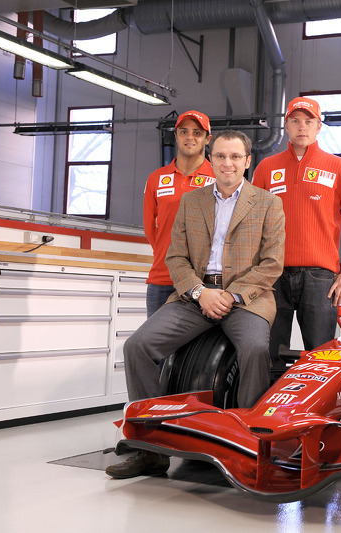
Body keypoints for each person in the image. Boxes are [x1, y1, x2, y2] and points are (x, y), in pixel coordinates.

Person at [106, 130, 285, 479]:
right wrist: (201, 292)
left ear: (248, 162)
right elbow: (175, 257)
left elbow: (272, 264)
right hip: (196, 297)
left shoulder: (268, 203)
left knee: (253, 349)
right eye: (221, 156)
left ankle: (245, 447)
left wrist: (231, 295)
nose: (227, 163)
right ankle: (150, 449)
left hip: (246, 299)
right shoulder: (192, 201)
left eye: (235, 157)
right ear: (211, 159)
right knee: (137, 347)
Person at [252, 96, 341, 364]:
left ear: (319, 127)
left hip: (320, 279)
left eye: (309, 121)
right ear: (286, 126)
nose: (302, 127)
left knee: (321, 359)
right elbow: (250, 222)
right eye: (295, 121)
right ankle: (270, 405)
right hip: (273, 274)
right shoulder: (266, 168)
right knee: (269, 356)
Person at [143, 110, 215, 317]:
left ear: (207, 139)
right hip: (162, 278)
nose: (190, 137)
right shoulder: (156, 178)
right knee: (155, 346)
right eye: (184, 132)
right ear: (176, 136)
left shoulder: (217, 178)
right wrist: (167, 254)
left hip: (202, 281)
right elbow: (150, 228)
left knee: (198, 349)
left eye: (197, 133)